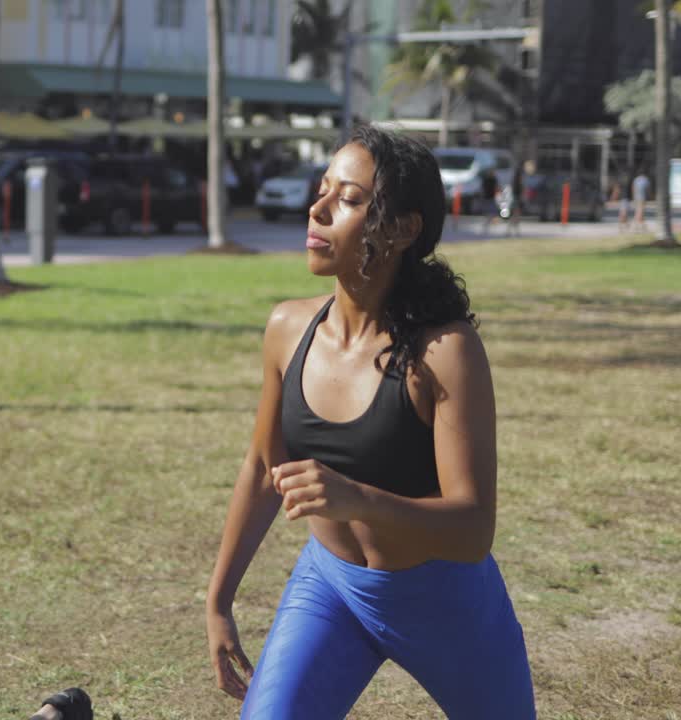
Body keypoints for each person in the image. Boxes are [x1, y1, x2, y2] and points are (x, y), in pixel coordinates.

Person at [205, 126, 534, 719]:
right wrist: (218, 600)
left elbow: (473, 527)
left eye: (349, 199)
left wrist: (358, 498)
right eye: (322, 189)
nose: (319, 208)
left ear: (405, 229)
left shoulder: (444, 352)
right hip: (330, 590)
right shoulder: (288, 328)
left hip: (445, 601)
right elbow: (261, 469)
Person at [479, 168, 500, 234]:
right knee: (489, 211)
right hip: (487, 197)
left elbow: (497, 187)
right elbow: (482, 188)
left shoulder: (493, 179)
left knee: (492, 211)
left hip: (491, 197)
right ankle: (488, 223)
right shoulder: (487, 179)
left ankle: (491, 223)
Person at [631, 167, 650, 233]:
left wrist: (633, 197)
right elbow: (648, 190)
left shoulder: (636, 180)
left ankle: (641, 226)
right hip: (642, 198)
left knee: (638, 211)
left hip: (637, 197)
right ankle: (636, 226)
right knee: (640, 212)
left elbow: (633, 188)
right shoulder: (645, 180)